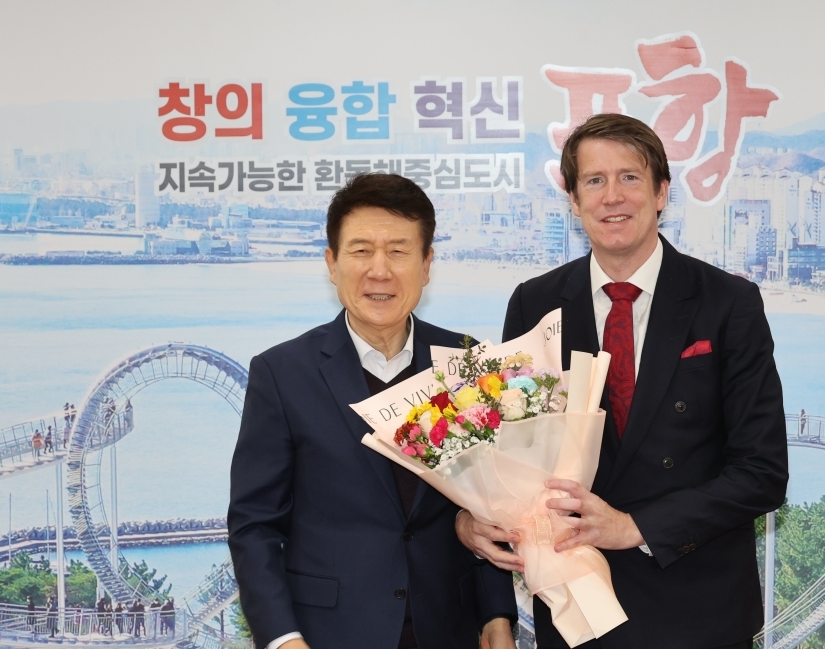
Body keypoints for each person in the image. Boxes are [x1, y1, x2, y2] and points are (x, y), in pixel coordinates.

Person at [456, 114, 789, 649]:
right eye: (594, 181)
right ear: (573, 200)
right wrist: (472, 519)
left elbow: (763, 472)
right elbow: (513, 457)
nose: (613, 196)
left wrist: (635, 527)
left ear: (661, 193)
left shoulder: (728, 302)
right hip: (576, 607)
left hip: (698, 612)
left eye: (630, 177)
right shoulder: (534, 303)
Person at [228, 173, 517, 649]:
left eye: (399, 251)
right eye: (361, 251)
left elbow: (489, 505)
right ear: (332, 263)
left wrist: (496, 615)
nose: (379, 271)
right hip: (327, 636)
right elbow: (254, 526)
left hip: (449, 631)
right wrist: (282, 639)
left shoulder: (465, 362)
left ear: (427, 264)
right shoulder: (282, 373)